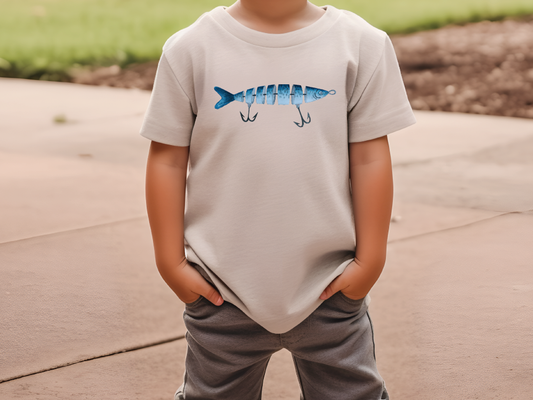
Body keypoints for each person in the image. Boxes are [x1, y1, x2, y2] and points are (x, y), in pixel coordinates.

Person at [140, 0, 416, 398]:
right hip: (220, 289)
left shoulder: (362, 45)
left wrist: (370, 260)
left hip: (330, 287)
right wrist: (171, 262)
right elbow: (166, 159)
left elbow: (371, 158)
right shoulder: (190, 49)